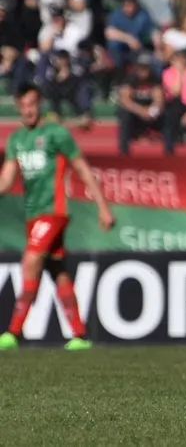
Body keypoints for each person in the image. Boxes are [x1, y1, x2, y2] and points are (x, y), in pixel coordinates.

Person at [0, 83, 115, 351]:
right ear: (17, 107)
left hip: (54, 212)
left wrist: (103, 207)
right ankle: (79, 335)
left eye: (32, 104)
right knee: (57, 270)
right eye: (23, 106)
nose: (28, 110)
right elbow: (6, 180)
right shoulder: (16, 139)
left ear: (39, 104)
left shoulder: (55, 134)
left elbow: (82, 169)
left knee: (30, 261)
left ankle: (13, 332)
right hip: (32, 214)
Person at [117, 51, 165, 155]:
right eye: (141, 68)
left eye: (146, 68)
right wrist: (141, 111)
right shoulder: (129, 79)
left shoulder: (155, 79)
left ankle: (169, 147)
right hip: (135, 110)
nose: (143, 71)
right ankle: (124, 149)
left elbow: (159, 98)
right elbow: (125, 100)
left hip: (150, 110)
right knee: (124, 114)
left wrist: (153, 110)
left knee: (168, 113)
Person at [38, 49, 93, 129]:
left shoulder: (75, 68)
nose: (61, 61)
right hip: (57, 92)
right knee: (49, 89)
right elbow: (47, 82)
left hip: (72, 92)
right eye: (60, 59)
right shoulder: (52, 70)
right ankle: (54, 113)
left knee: (84, 89)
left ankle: (85, 114)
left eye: (63, 59)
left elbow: (81, 79)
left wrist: (68, 74)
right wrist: (59, 77)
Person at [105, 0, 159, 70]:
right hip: (120, 50)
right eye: (126, 5)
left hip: (138, 49)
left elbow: (153, 31)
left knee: (155, 62)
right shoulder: (116, 14)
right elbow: (109, 32)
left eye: (131, 5)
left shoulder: (143, 13)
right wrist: (129, 39)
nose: (129, 8)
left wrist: (158, 48)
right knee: (114, 45)